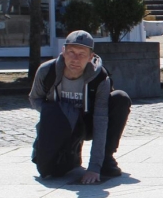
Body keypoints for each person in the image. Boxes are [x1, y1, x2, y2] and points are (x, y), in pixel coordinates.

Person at [29, 30, 131, 184]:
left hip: (88, 122)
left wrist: (94, 166)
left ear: (91, 57)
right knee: (51, 172)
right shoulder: (47, 71)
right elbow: (35, 98)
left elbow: (101, 120)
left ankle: (106, 157)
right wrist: (57, 113)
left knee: (120, 98)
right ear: (63, 51)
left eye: (82, 54)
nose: (75, 59)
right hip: (62, 122)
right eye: (71, 52)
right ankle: (70, 153)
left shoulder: (100, 77)